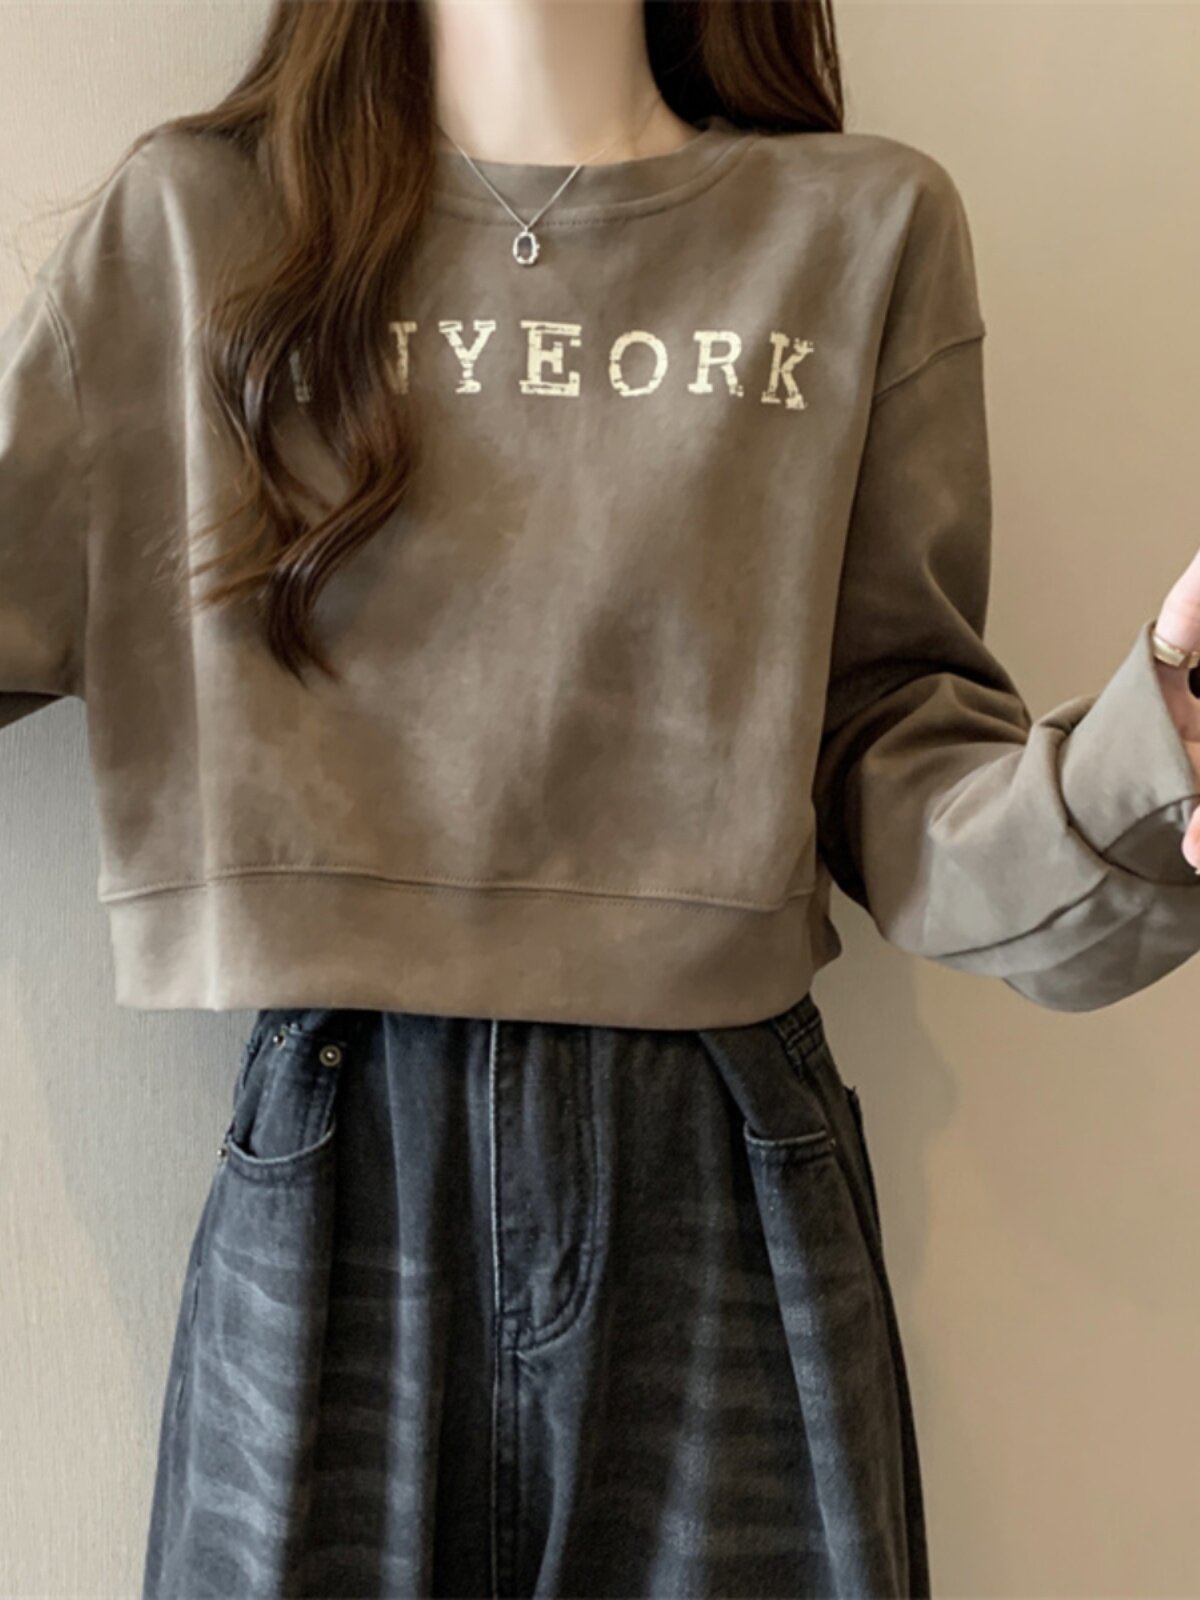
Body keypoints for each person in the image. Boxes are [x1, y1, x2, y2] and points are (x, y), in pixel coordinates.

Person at [3, 1, 1200, 1595]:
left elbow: (899, 749)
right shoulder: (197, 229)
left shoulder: (857, 230)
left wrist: (1147, 760)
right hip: (341, 1156)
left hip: (721, 1164)